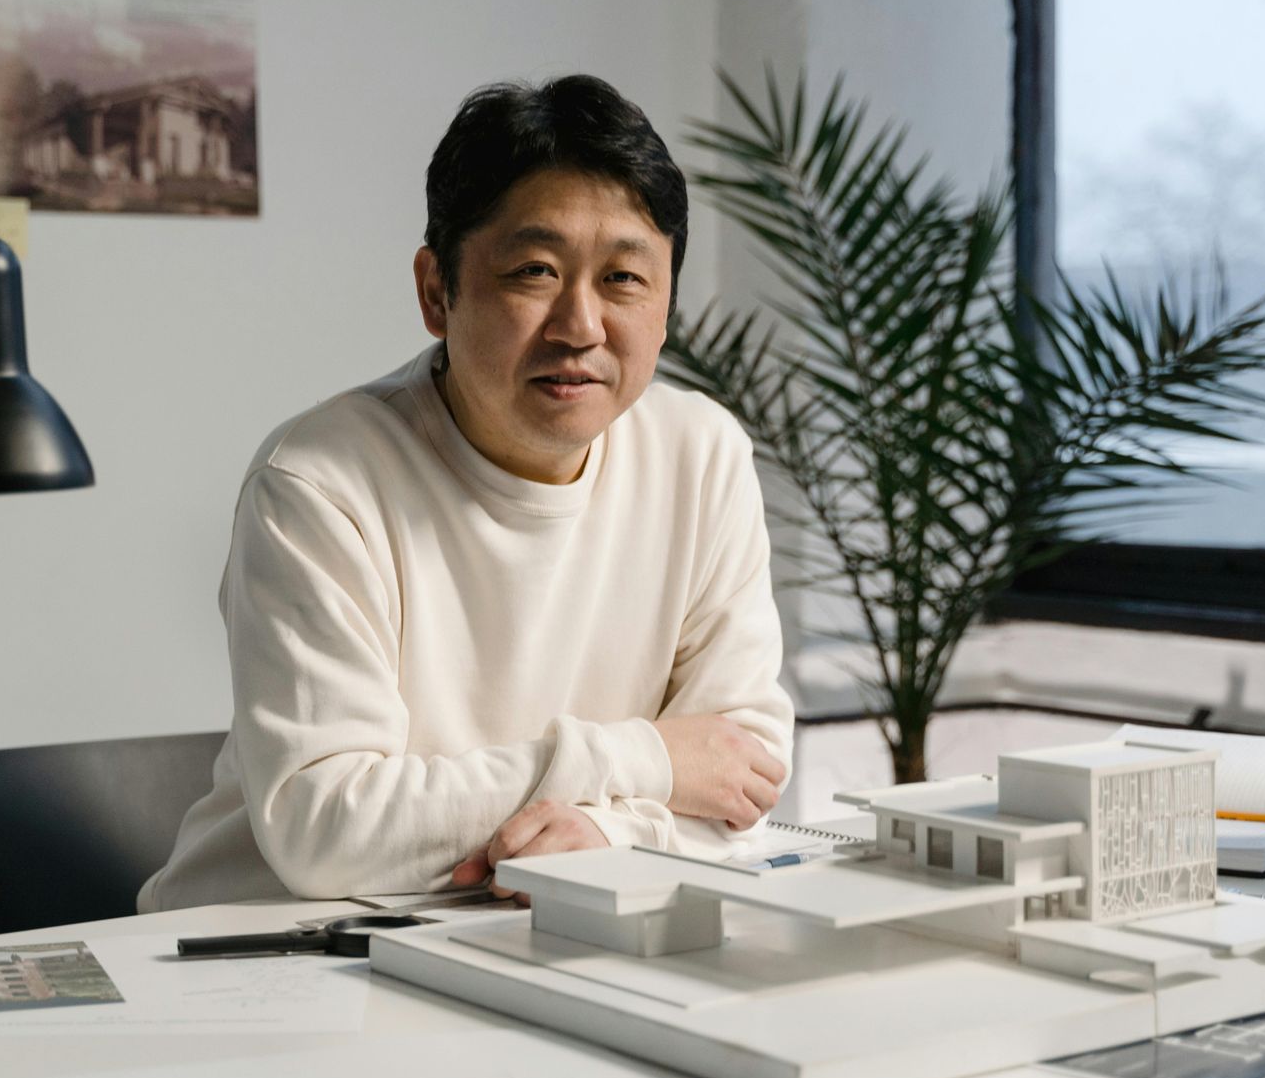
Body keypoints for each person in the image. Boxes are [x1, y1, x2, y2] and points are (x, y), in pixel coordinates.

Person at [140, 74, 793, 912]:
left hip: (517, 939)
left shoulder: (702, 457)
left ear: (666, 304)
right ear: (435, 291)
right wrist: (649, 764)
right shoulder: (319, 484)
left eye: (624, 279)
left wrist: (615, 836)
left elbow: (742, 773)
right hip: (262, 955)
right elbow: (326, 832)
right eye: (534, 270)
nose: (582, 326)